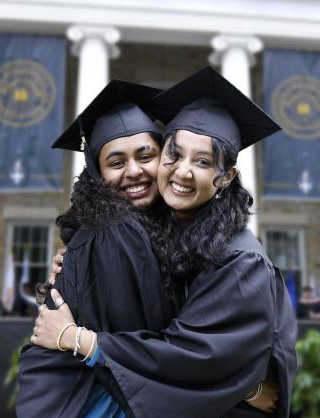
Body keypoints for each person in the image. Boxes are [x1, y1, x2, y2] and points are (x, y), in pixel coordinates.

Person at [32, 67, 298, 417]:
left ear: (225, 177)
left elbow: (194, 356)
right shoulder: (163, 234)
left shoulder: (239, 261)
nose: (182, 171)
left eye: (202, 161)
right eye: (174, 154)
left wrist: (74, 337)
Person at [17, 80, 181, 417]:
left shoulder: (146, 228)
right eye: (117, 162)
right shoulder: (116, 235)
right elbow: (150, 352)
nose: (134, 171)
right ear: (97, 173)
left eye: (145, 155)